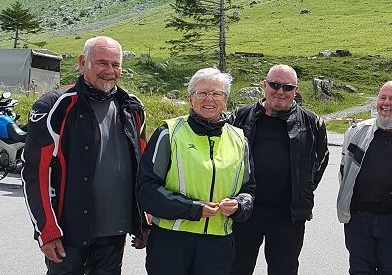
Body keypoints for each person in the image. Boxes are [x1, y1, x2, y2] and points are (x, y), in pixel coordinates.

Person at [22, 36, 149, 275]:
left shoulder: (132, 107)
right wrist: (47, 231)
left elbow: (142, 168)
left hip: (114, 232)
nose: (109, 71)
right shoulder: (54, 105)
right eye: (102, 63)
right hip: (68, 232)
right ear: (82, 63)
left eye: (115, 64)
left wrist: (143, 220)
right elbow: (36, 173)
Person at [136, 67, 254, 275]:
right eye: (202, 93)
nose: (210, 99)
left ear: (225, 100)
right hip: (171, 242)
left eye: (216, 93)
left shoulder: (239, 139)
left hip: (217, 245)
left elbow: (249, 189)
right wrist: (192, 208)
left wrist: (239, 205)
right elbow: (146, 190)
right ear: (191, 98)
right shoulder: (169, 133)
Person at [229, 64, 329, 275]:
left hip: (288, 214)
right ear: (264, 85)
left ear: (295, 90)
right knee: (236, 268)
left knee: (284, 270)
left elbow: (321, 160)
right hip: (245, 210)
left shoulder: (311, 122)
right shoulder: (241, 116)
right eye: (275, 85)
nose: (280, 91)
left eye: (287, 87)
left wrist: (305, 189)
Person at [337, 81, 392, 275]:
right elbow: (343, 171)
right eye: (382, 97)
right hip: (359, 220)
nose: (386, 103)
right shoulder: (356, 132)